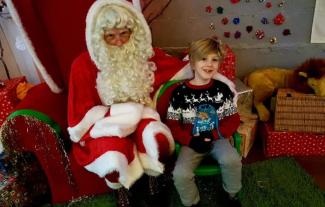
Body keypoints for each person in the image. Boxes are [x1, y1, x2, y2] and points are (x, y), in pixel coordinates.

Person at [67, 0, 185, 206]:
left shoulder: (144, 54)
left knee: (157, 139)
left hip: (143, 116)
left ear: (133, 31)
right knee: (112, 152)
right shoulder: (83, 65)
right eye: (111, 36)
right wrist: (117, 115)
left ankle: (153, 181)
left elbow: (175, 70)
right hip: (107, 124)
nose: (119, 41)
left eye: (124, 33)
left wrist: (203, 63)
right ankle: (122, 190)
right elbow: (80, 114)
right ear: (99, 36)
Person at [166, 38, 242, 207]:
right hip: (191, 142)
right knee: (180, 174)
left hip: (218, 138)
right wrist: (190, 140)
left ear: (219, 63)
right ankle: (193, 203)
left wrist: (215, 134)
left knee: (232, 160)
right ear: (193, 63)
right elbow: (172, 124)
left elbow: (233, 119)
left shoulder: (222, 90)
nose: (209, 64)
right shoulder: (180, 92)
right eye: (203, 59)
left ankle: (231, 195)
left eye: (214, 59)